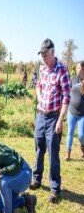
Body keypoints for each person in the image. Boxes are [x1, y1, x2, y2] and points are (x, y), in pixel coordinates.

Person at [30, 38, 71, 203]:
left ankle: (54, 188)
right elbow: (38, 86)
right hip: (40, 115)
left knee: (53, 153)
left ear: (53, 52)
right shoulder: (43, 70)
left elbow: (67, 96)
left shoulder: (62, 70)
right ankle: (37, 178)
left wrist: (61, 119)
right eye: (42, 55)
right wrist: (40, 98)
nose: (43, 58)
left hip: (54, 117)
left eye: (46, 55)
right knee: (39, 148)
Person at [65, 61, 84, 161]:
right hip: (71, 110)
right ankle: (68, 153)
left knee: (81, 135)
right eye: (76, 67)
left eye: (78, 67)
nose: (76, 69)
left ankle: (82, 145)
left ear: (83, 69)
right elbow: (68, 91)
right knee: (70, 132)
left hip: (82, 113)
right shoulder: (73, 79)